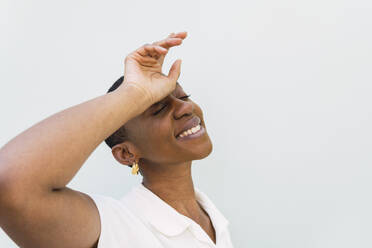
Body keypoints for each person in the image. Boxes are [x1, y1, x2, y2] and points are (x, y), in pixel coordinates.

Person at [0, 31, 234, 247]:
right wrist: (134, 92)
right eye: (159, 109)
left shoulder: (213, 218)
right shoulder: (115, 227)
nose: (185, 107)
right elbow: (10, 184)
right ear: (126, 154)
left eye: (184, 96)